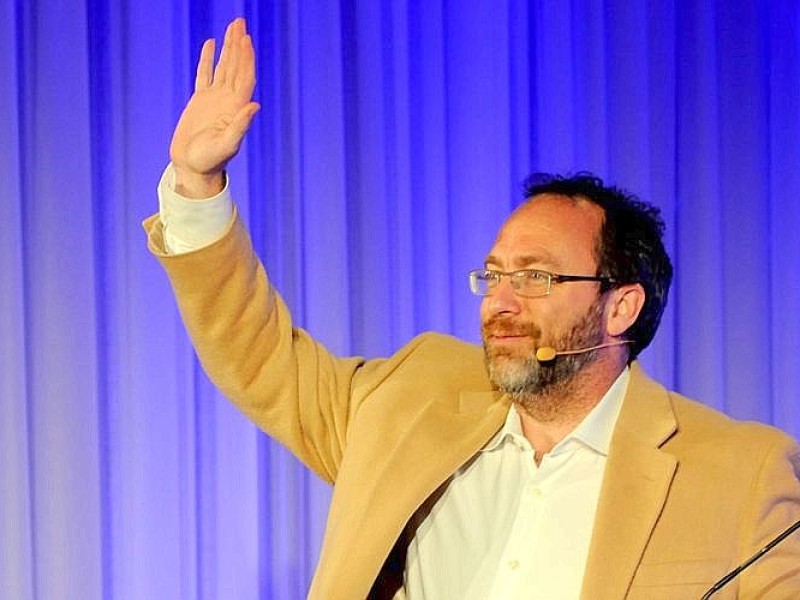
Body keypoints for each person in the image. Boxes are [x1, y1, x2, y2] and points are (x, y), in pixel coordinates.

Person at [144, 18, 800, 599]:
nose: (501, 301)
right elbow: (260, 360)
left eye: (536, 276)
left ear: (620, 306)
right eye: (494, 275)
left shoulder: (738, 474)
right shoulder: (409, 398)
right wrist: (197, 187)